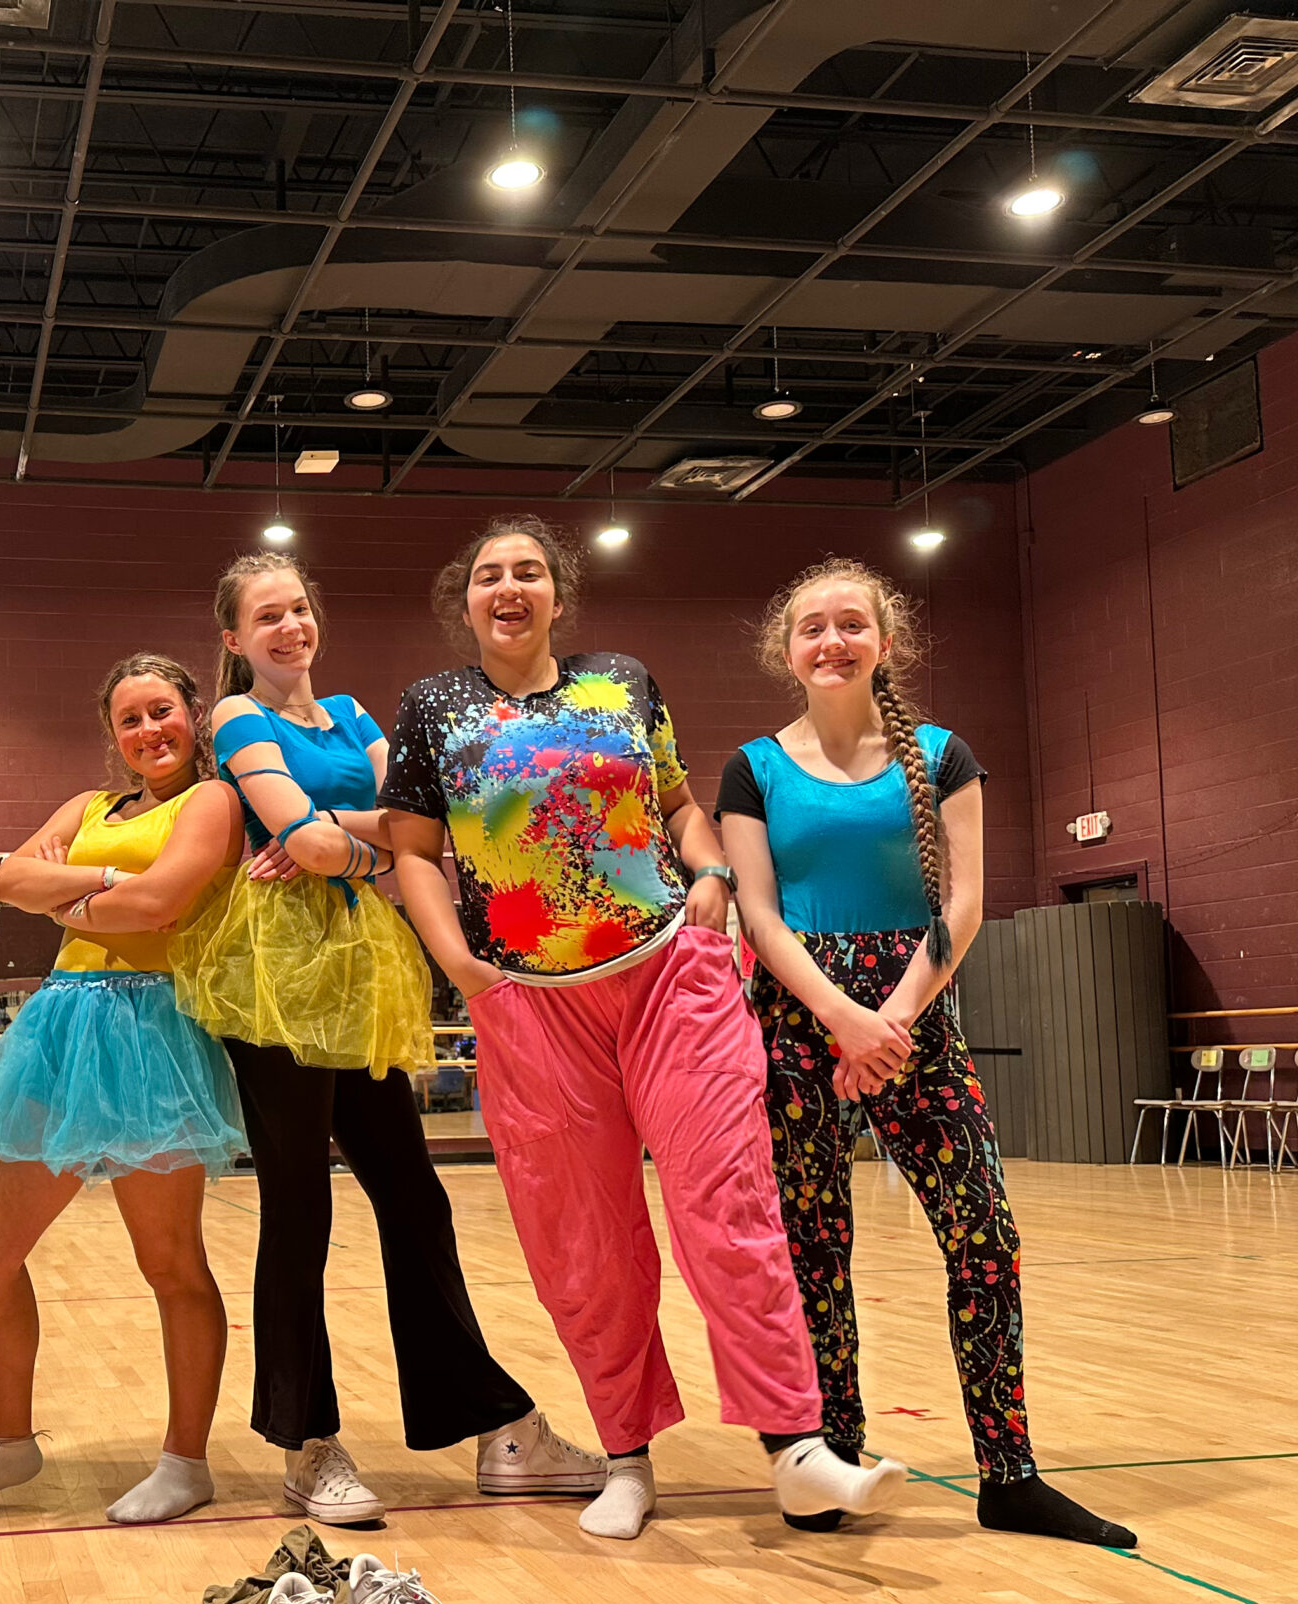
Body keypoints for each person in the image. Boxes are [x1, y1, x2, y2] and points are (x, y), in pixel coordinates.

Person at [380, 518, 908, 1541]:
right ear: (466, 601)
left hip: (672, 975)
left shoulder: (621, 681)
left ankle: (797, 1450)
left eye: (528, 572)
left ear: (557, 595)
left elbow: (673, 803)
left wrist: (709, 868)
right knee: (582, 1243)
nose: (509, 588)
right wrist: (456, 964)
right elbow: (412, 850)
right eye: (489, 575)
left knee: (728, 1200)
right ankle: (625, 1455)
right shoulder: (431, 708)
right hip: (532, 1007)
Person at [171, 551, 605, 1523]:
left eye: (299, 609)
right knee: (299, 1211)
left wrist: (349, 843)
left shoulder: (361, 715)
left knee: (415, 1200)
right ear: (235, 639)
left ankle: (493, 1426)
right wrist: (364, 844)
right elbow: (320, 836)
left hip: (360, 974)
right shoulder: (238, 717)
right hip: (274, 977)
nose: (289, 627)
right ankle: (305, 1444)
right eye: (266, 617)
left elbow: (431, 832)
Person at [719, 560, 1135, 1547]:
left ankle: (1009, 1472)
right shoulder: (753, 768)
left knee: (983, 1235)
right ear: (787, 653)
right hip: (793, 1020)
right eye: (811, 628)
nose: (831, 642)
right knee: (814, 1250)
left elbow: (963, 903)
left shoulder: (942, 755)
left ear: (884, 643)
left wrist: (892, 1019)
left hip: (918, 1012)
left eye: (850, 625)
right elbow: (759, 914)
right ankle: (832, 1457)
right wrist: (838, 1018)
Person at [0, 655, 246, 1526]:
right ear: (113, 734)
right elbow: (9, 880)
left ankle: (186, 1461)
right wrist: (105, 884)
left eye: (163, 711)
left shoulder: (212, 800)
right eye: (131, 719)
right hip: (60, 1029)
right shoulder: (86, 807)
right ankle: (7, 1446)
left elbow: (164, 907)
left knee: (170, 1262)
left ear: (193, 715)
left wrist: (71, 897)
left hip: (154, 1032)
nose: (149, 731)